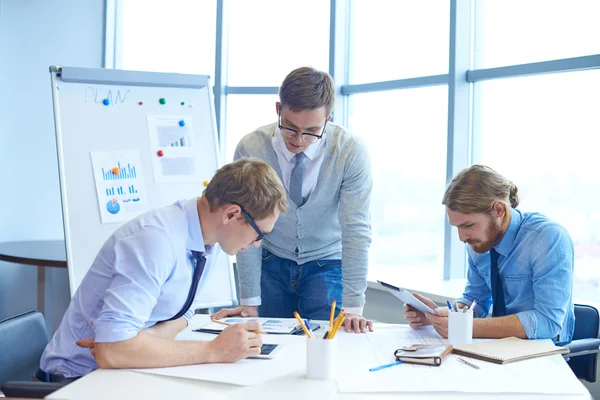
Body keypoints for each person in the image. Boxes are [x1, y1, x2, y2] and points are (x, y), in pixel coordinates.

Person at [38, 158, 288, 381]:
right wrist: (214, 350)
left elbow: (182, 316)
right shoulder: (156, 240)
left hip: (123, 373)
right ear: (231, 214)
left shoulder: (207, 240)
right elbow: (112, 351)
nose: (257, 244)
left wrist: (138, 342)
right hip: (75, 381)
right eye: (259, 234)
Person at [212, 67, 373, 333]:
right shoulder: (252, 148)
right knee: (266, 345)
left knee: (324, 344)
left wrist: (354, 305)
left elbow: (356, 228)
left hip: (327, 263)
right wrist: (249, 300)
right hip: (270, 261)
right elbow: (245, 224)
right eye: (290, 127)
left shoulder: (350, 152)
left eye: (311, 131)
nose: (298, 140)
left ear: (329, 119)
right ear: (278, 109)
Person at [404, 165, 575, 343]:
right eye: (457, 227)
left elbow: (548, 322)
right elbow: (475, 302)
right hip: (499, 350)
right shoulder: (480, 242)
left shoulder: (547, 238)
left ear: (499, 210)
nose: (462, 238)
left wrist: (465, 327)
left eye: (468, 225)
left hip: (545, 356)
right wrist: (436, 316)